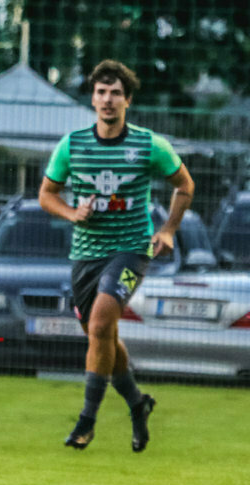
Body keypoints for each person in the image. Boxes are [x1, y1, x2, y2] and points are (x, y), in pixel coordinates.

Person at [38, 59, 194, 452]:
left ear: (128, 101)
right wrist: (73, 213)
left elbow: (185, 185)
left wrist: (168, 230)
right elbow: (46, 194)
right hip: (85, 254)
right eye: (101, 92)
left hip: (131, 250)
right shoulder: (73, 145)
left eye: (116, 93)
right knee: (102, 336)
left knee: (101, 323)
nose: (108, 99)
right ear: (93, 99)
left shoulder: (149, 145)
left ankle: (85, 422)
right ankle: (138, 404)